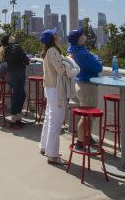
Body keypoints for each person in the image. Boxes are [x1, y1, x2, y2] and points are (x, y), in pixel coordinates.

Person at [67, 28, 103, 147]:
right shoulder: (81, 53)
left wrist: (93, 57)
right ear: (79, 39)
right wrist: (97, 58)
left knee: (88, 115)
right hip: (87, 86)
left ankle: (87, 137)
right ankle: (80, 142)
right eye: (82, 34)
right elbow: (98, 67)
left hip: (81, 84)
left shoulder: (77, 50)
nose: (84, 35)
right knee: (86, 116)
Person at [39, 29, 68, 165]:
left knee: (49, 118)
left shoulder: (47, 52)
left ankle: (45, 147)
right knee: (56, 121)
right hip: (55, 89)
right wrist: (69, 62)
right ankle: (52, 155)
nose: (58, 35)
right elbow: (61, 70)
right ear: (53, 38)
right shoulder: (53, 51)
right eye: (56, 34)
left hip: (49, 88)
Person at [0, 34, 30, 128]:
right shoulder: (16, 47)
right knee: (18, 96)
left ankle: (17, 117)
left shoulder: (4, 50)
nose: (13, 36)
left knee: (21, 95)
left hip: (9, 76)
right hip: (18, 74)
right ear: (9, 40)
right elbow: (27, 61)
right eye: (11, 36)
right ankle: (14, 120)